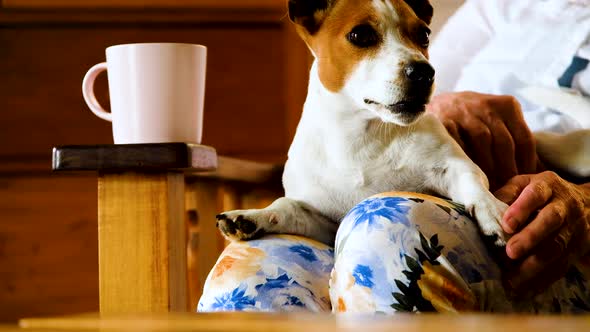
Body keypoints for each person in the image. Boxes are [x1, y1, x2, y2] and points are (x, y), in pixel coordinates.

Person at [197, 0, 590, 313]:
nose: (421, 60)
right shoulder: (495, 8)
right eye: (364, 36)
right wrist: (447, 106)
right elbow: (423, 83)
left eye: (420, 37)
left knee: (385, 233)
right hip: (400, 175)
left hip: (537, 221)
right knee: (250, 275)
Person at [426, 0, 590, 296]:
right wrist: (436, 110)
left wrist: (583, 201)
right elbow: (406, 95)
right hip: (442, 180)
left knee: (394, 231)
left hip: (555, 234)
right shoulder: (498, 5)